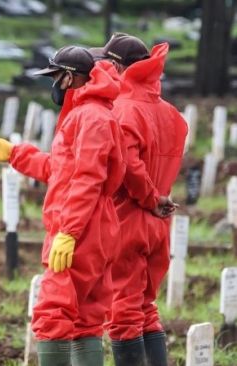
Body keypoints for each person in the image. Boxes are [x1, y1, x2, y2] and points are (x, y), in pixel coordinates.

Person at [0, 46, 125, 365]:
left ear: (70, 77)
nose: (54, 84)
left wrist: (68, 232)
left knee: (53, 312)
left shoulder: (91, 117)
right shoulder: (92, 113)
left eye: (56, 77)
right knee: (87, 317)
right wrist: (15, 154)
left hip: (80, 227)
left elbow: (87, 178)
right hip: (93, 224)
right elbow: (61, 169)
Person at [95, 34, 187, 366]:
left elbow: (131, 167)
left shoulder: (122, 109)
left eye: (105, 63)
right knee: (145, 306)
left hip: (128, 215)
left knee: (122, 308)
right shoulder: (172, 114)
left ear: (118, 66)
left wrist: (149, 197)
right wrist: (156, 198)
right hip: (159, 219)